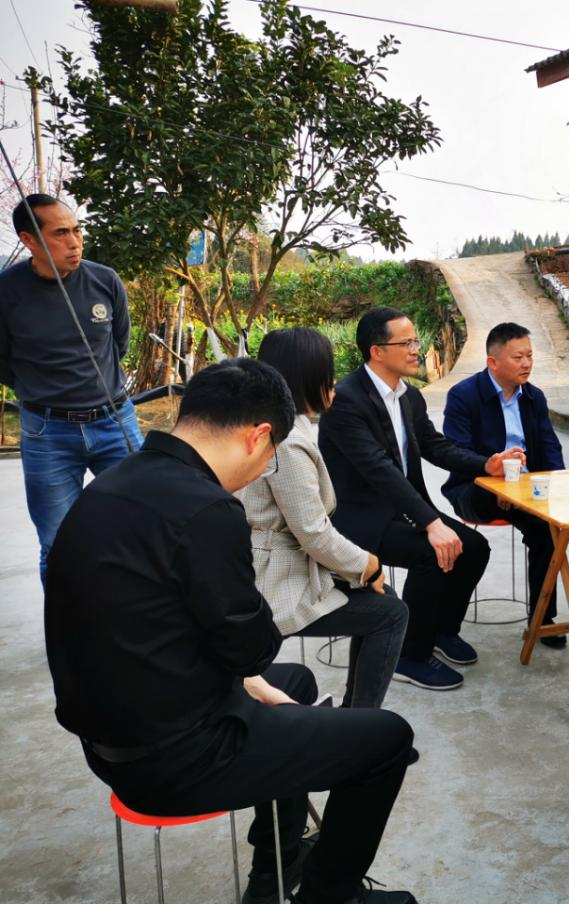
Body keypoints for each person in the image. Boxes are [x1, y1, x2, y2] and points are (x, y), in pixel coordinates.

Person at [44, 358, 418, 904]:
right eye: (271, 458)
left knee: (294, 684)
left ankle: (274, 869)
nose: (265, 471)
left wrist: (252, 679)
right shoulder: (208, 510)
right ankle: (331, 896)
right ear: (258, 436)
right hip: (175, 760)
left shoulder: (110, 485)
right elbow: (251, 647)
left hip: (111, 739)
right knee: (388, 738)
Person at [319, 308, 523, 691]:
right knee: (433, 553)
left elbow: (436, 446)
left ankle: (440, 631)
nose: (417, 349)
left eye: (415, 341)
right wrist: (432, 523)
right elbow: (379, 469)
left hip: (404, 510)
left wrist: (486, 463)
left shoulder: (409, 397)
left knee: (474, 548)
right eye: (407, 342)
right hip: (361, 520)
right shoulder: (345, 401)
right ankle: (409, 656)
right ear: (377, 351)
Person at [238, 327, 410, 709]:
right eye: (327, 373)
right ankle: (360, 726)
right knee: (390, 612)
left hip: (289, 563)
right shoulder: (288, 442)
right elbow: (313, 532)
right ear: (305, 378)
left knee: (384, 601)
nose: (333, 382)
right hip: (274, 580)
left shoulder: (281, 426)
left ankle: (355, 716)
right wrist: (368, 564)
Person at [0, 194, 143, 582]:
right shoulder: (7, 291)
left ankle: (128, 613)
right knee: (58, 542)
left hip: (115, 421)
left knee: (143, 524)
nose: (75, 242)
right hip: (47, 433)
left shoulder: (104, 280)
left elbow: (119, 344)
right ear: (30, 240)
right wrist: (42, 389)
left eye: (77, 231)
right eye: (61, 233)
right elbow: (3, 362)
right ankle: (68, 621)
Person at [441, 321, 569, 649]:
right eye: (518, 357)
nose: (527, 363)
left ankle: (542, 619)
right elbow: (456, 453)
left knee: (546, 533)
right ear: (493, 362)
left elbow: (550, 447)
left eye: (530, 356)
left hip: (529, 490)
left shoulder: (533, 397)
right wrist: (497, 480)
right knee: (540, 518)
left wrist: (559, 481)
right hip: (475, 488)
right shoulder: (464, 396)